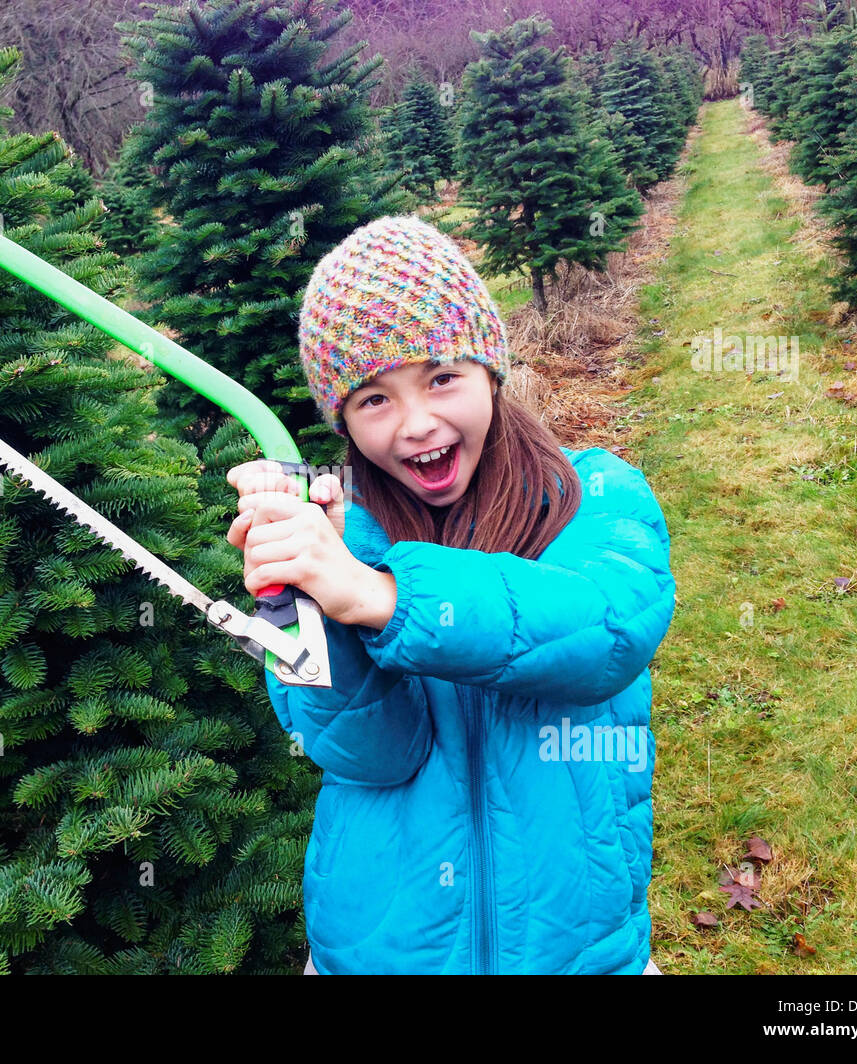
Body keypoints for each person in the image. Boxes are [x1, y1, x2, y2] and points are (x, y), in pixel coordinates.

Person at [225, 215, 676, 974]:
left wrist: (385, 599)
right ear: (343, 421)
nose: (417, 424)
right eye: (373, 400)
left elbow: (606, 631)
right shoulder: (339, 536)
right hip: (383, 950)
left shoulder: (594, 494)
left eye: (441, 378)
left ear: (490, 372)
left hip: (574, 947)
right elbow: (364, 752)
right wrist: (303, 596)